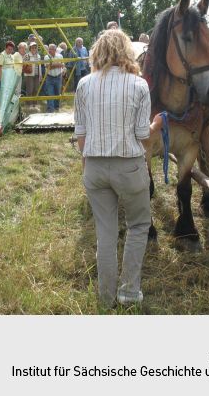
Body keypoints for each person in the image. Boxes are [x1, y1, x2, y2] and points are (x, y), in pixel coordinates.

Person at [74, 29, 163, 308]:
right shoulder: (138, 86)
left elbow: (81, 136)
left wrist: (87, 163)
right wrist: (157, 125)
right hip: (129, 168)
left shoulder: (84, 84)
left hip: (95, 168)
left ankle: (105, 297)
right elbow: (142, 135)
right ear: (127, 52)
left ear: (97, 53)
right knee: (138, 225)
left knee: (105, 234)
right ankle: (128, 292)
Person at [44, 43, 64, 113]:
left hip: (58, 76)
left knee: (57, 93)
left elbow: (62, 65)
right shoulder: (46, 57)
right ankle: (50, 110)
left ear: (55, 50)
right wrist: (57, 64)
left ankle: (56, 108)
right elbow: (48, 67)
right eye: (49, 49)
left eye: (51, 49)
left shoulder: (60, 56)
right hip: (49, 77)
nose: (49, 50)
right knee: (50, 93)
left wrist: (53, 65)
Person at [23, 42, 42, 108]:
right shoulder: (27, 55)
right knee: (29, 90)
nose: (34, 49)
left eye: (35, 47)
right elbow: (24, 65)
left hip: (37, 75)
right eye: (32, 47)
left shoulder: (39, 56)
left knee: (36, 90)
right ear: (30, 48)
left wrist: (40, 75)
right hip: (29, 75)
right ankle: (29, 105)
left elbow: (40, 66)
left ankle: (35, 104)